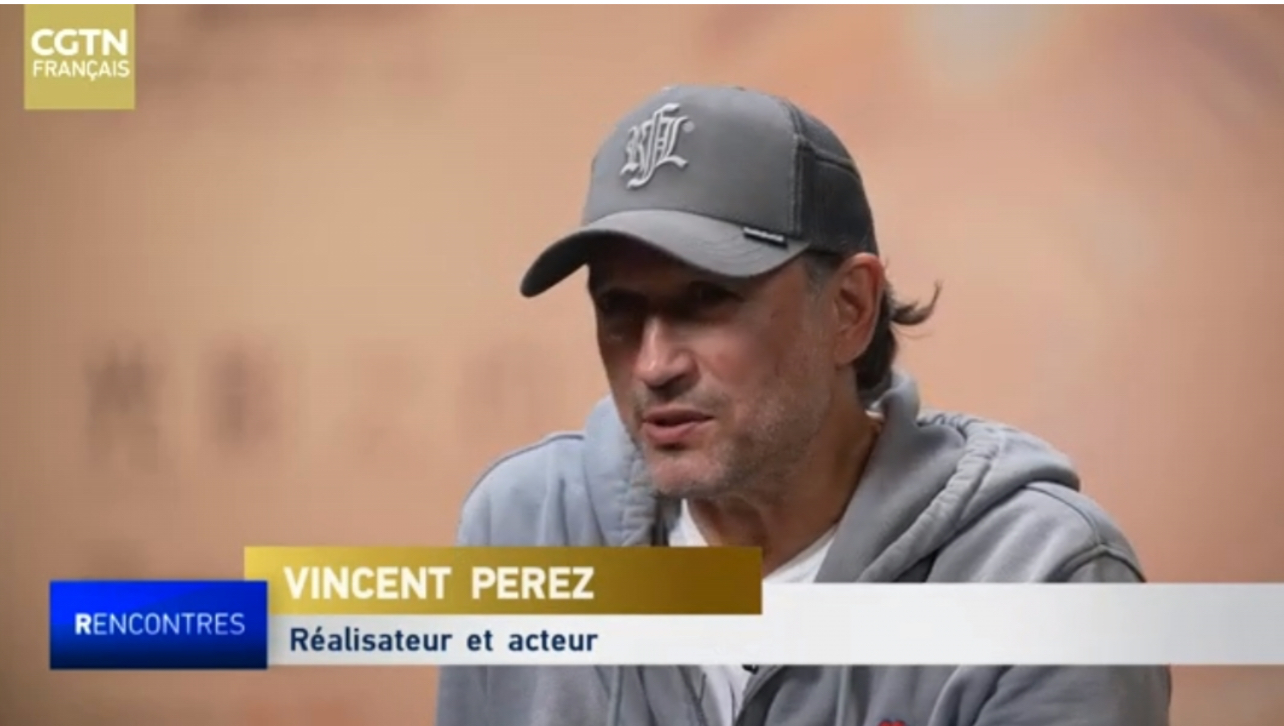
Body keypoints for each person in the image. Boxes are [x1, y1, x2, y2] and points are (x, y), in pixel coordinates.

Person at [436, 84, 1171, 726]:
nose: (654, 365)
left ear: (849, 309)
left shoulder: (1041, 580)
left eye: (707, 300)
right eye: (618, 310)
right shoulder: (530, 526)